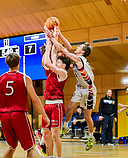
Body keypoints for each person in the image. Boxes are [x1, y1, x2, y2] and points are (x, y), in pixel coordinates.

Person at [45, 26, 97, 151]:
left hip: (89, 90)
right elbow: (67, 48)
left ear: (83, 52)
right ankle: (66, 126)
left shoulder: (79, 59)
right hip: (80, 87)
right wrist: (60, 34)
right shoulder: (75, 59)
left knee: (87, 116)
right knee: (69, 108)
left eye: (79, 47)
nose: (77, 47)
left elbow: (66, 50)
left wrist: (52, 38)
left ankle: (91, 136)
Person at [0, 53, 50, 158]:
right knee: (30, 147)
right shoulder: (24, 78)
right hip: (18, 114)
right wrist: (44, 116)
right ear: (19, 63)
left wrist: (3, 110)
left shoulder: (0, 78)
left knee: (12, 147)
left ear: (7, 64)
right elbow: (35, 99)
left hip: (4, 116)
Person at [42, 27, 71, 158]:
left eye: (58, 61)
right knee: (46, 133)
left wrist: (49, 43)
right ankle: (50, 156)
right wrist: (51, 37)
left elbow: (48, 62)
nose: (56, 61)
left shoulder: (63, 73)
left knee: (54, 134)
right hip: (47, 105)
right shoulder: (53, 71)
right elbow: (50, 56)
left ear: (63, 65)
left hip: (57, 106)